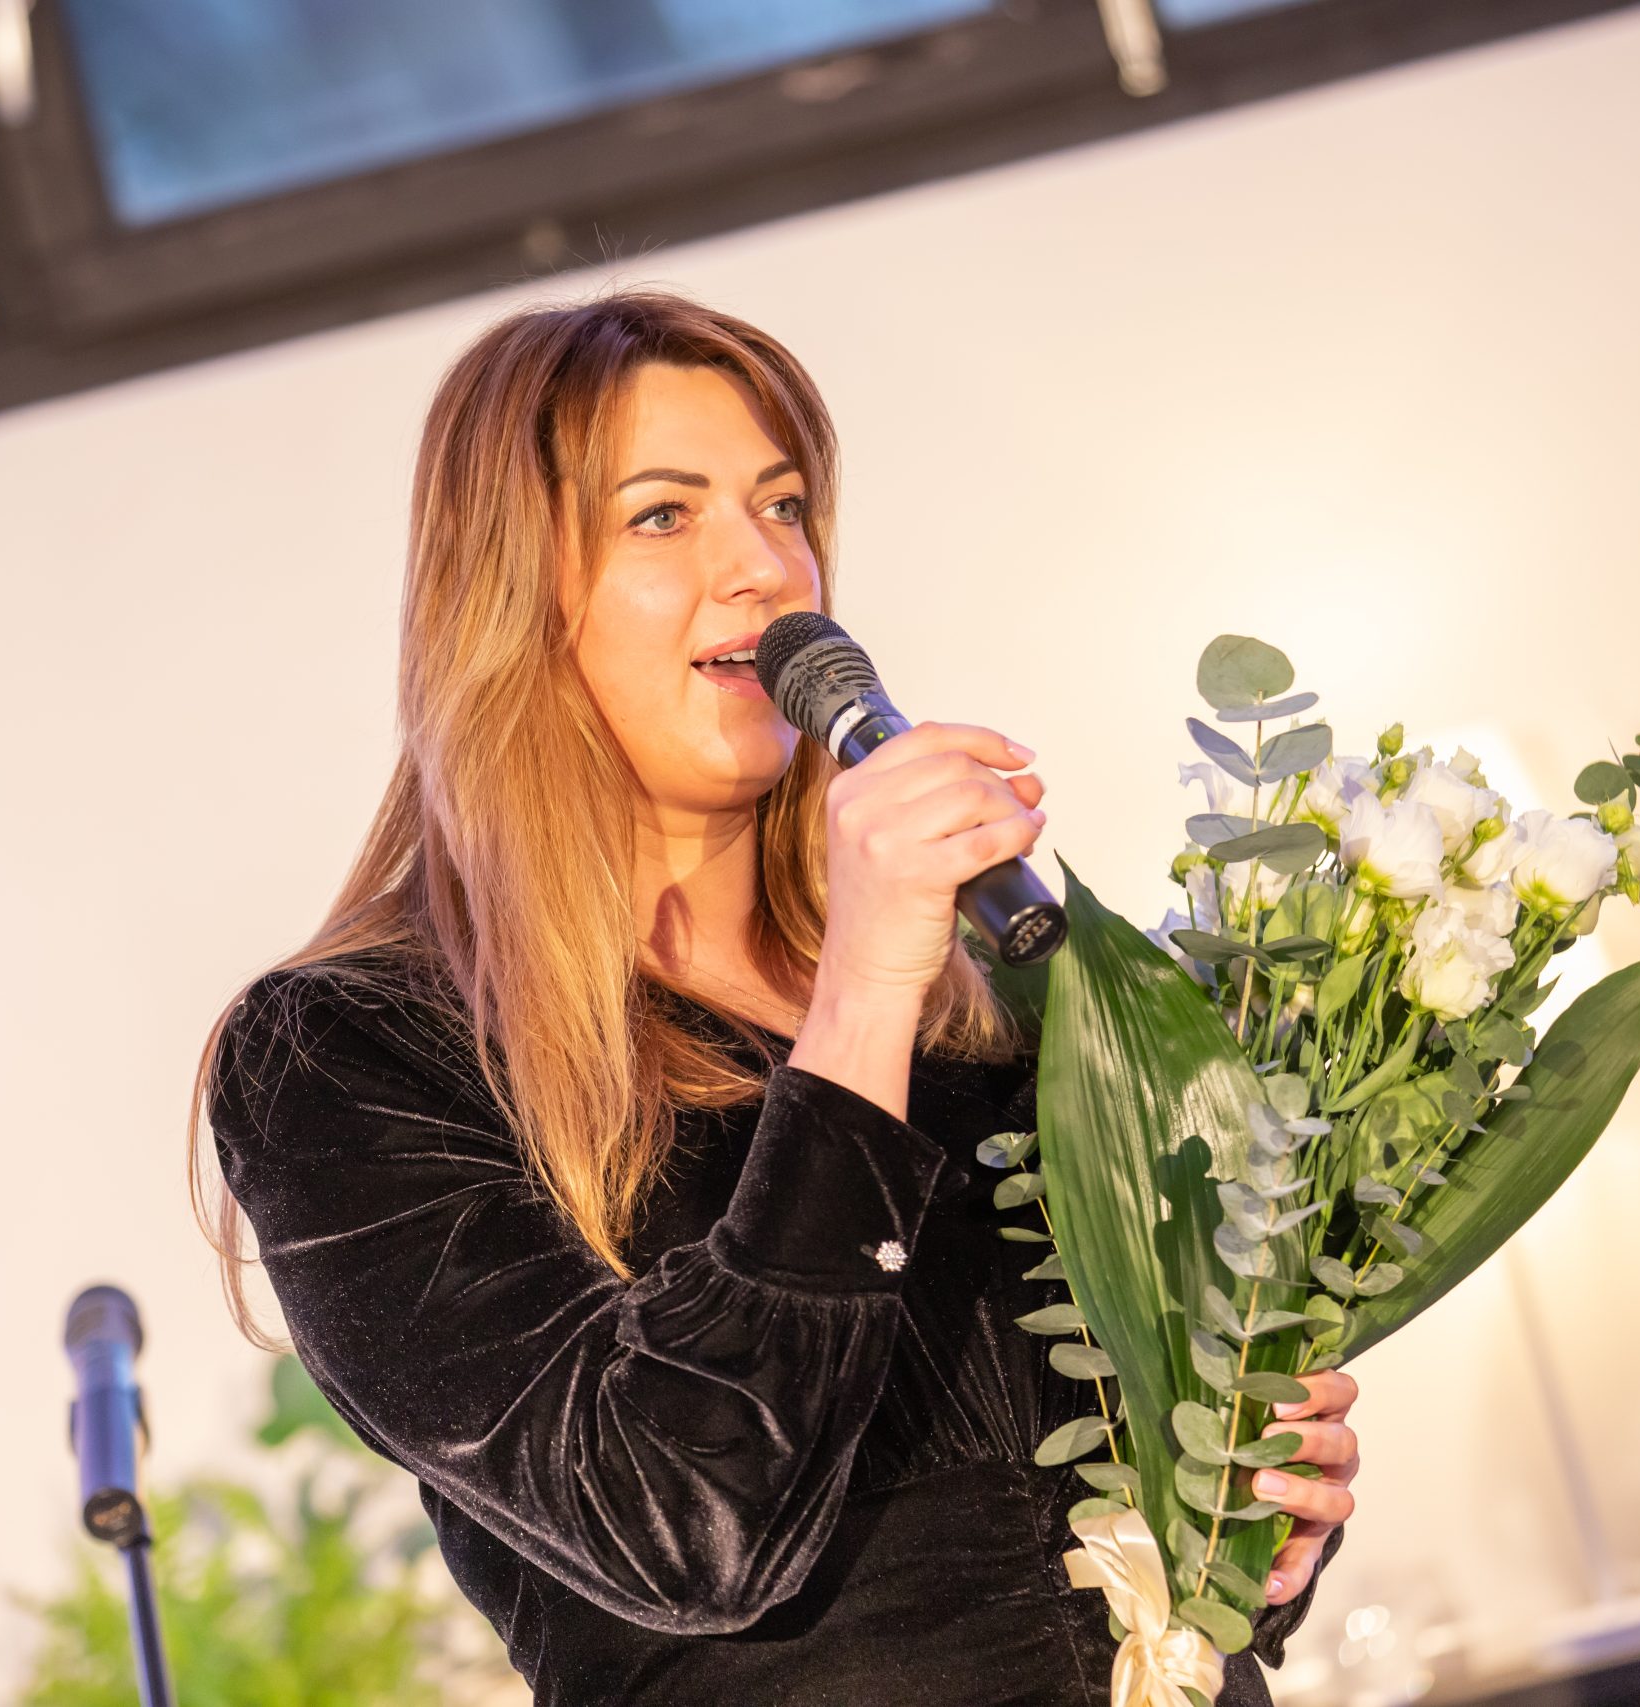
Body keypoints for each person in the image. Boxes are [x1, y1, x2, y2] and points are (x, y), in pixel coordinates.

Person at [189, 286, 1357, 1706]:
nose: (762, 567)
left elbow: (1111, 1502)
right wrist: (863, 988)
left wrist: (1252, 1511)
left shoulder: (992, 998)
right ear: (514, 595)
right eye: (662, 516)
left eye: (783, 506)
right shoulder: (351, 1056)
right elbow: (685, 1529)